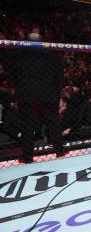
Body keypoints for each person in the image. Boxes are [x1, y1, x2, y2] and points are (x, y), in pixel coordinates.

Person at [2, 32, 64, 162]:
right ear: (42, 43)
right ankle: (59, 151)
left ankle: (28, 156)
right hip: (48, 94)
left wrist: (18, 86)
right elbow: (59, 77)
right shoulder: (52, 57)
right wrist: (55, 93)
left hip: (26, 94)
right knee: (53, 122)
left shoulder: (16, 56)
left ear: (26, 42)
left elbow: (10, 75)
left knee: (27, 126)